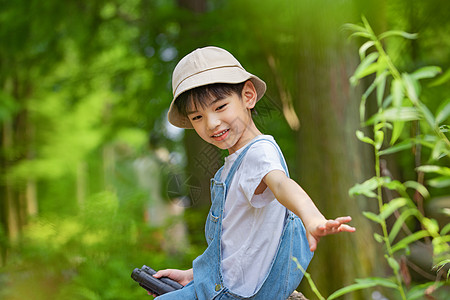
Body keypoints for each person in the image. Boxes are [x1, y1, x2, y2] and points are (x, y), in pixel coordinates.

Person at [151, 46, 355, 299]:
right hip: (224, 285)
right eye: (197, 117)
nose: (211, 123)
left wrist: (312, 218)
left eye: (220, 107)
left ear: (248, 96)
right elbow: (238, 244)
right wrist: (194, 274)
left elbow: (281, 185)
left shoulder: (259, 153)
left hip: (237, 294)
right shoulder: (233, 165)